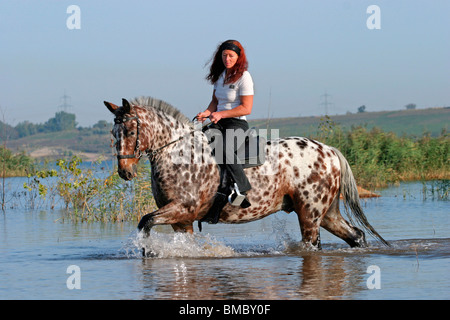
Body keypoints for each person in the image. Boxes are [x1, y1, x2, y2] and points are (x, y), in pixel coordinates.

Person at [197, 39, 254, 224]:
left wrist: (221, 114)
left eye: (230, 56)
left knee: (223, 149)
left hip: (236, 124)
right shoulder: (220, 76)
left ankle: (242, 189)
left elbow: (246, 108)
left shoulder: (244, 77)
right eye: (224, 55)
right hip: (218, 121)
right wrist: (206, 113)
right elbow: (215, 102)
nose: (227, 59)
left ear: (238, 57)